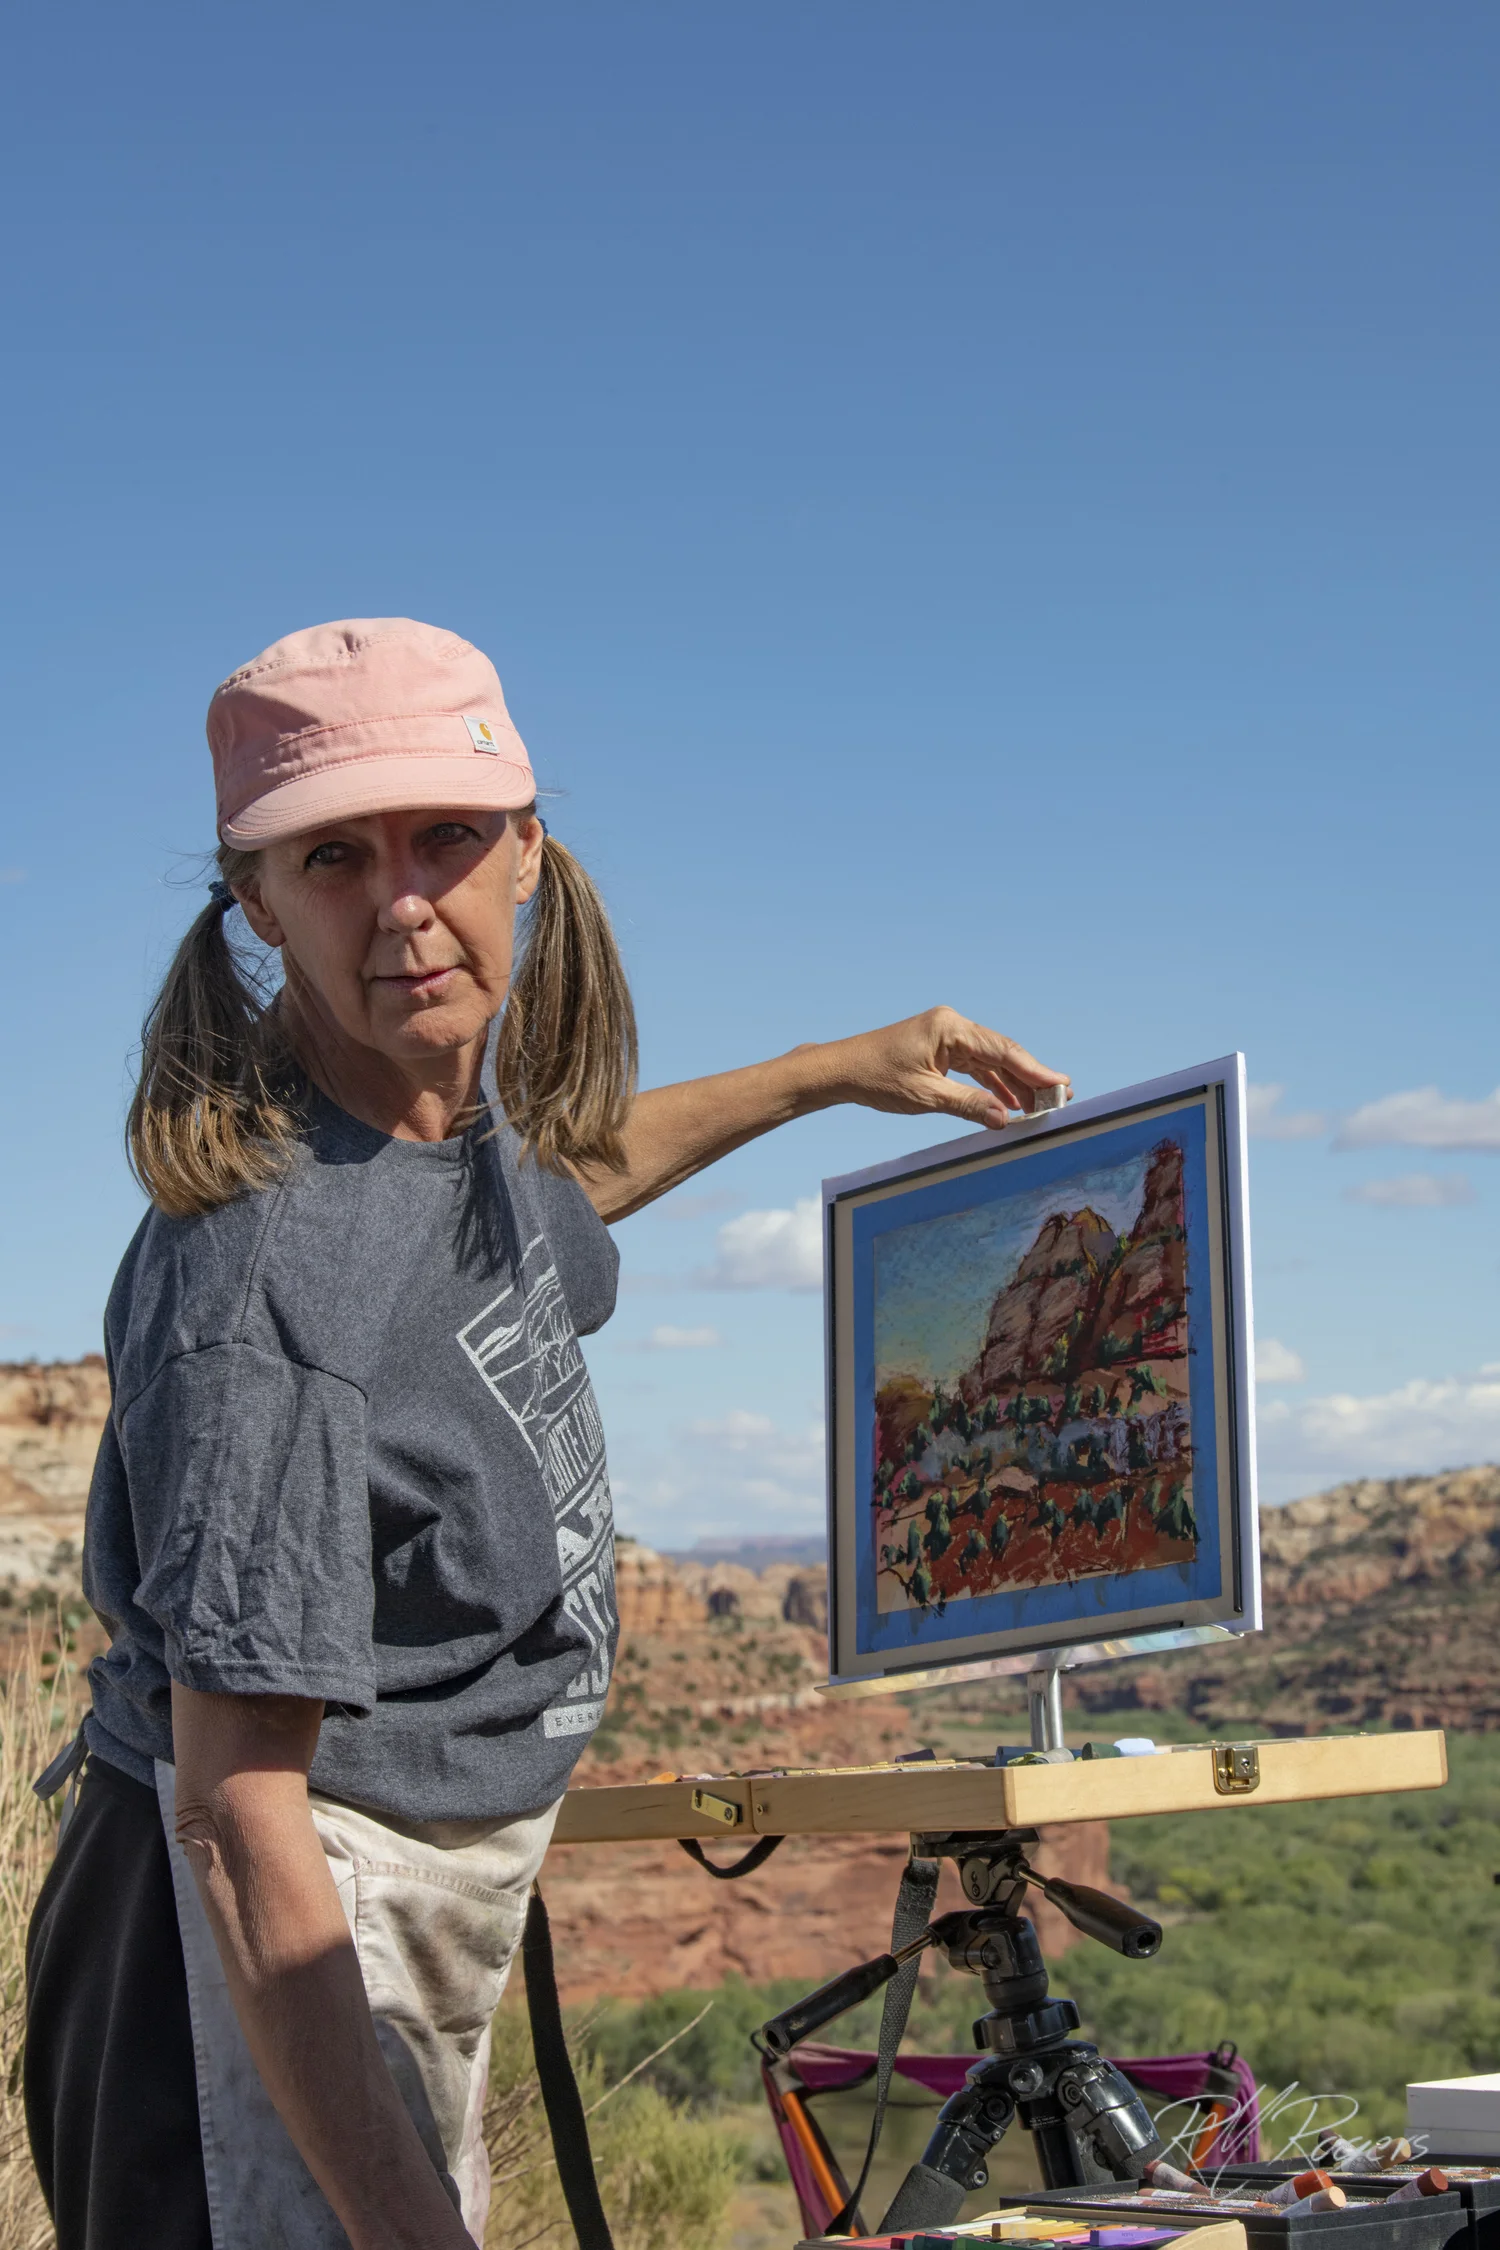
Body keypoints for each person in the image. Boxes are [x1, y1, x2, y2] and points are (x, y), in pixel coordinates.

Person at [23, 617, 1068, 2250]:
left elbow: (551, 1189)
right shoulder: (269, 1275)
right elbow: (236, 1811)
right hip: (246, 1970)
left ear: (528, 849)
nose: (403, 902)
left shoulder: (430, 1123)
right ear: (257, 901)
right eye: (334, 856)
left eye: (445, 834)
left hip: (384, 1918)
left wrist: (830, 1073)